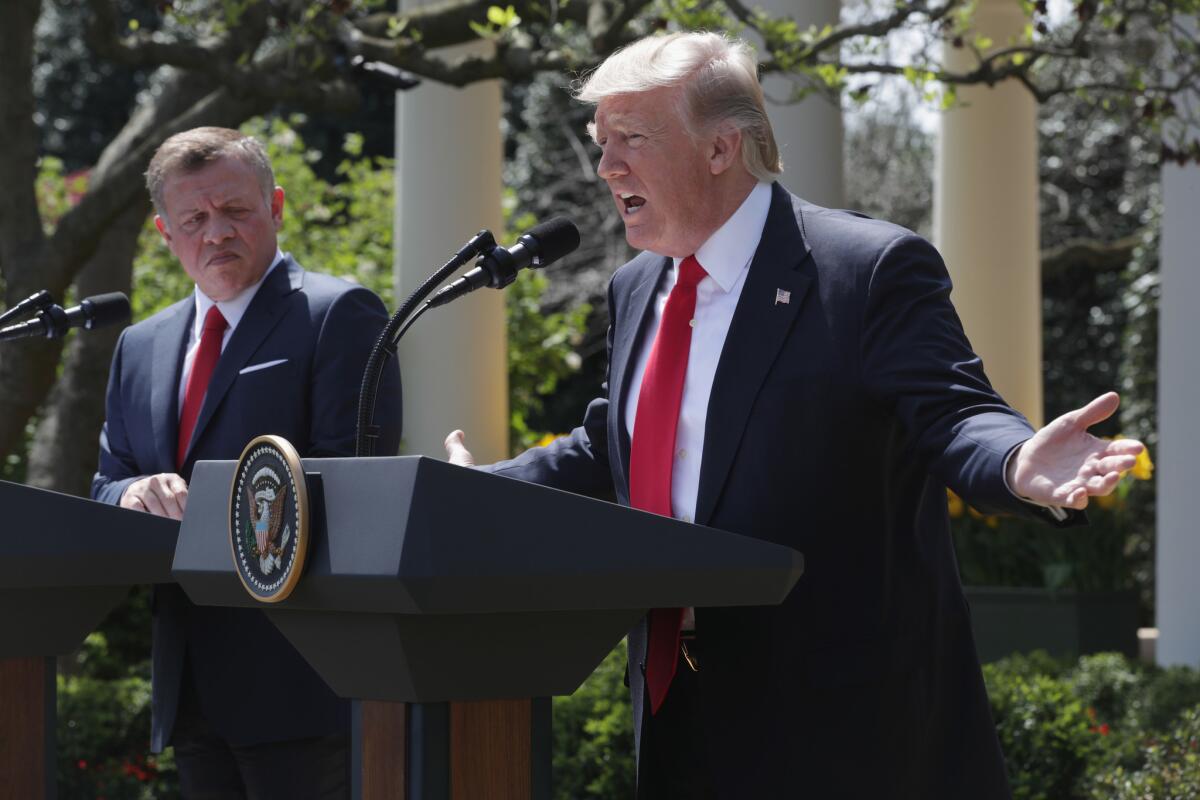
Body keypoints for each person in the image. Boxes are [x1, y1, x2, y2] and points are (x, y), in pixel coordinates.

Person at [443, 32, 1145, 799]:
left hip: (843, 727)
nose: (608, 166)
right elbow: (618, 437)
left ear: (721, 149)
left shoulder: (865, 270)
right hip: (677, 708)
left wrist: (1017, 464)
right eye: (601, 141)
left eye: (632, 140)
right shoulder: (637, 287)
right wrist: (484, 490)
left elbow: (955, 414)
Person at [91, 127, 400, 798]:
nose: (216, 232)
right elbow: (105, 481)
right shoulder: (140, 346)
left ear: (276, 205)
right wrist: (132, 494)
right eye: (194, 219)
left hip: (301, 681)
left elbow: (348, 485)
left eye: (235, 210)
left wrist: (199, 503)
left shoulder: (336, 314)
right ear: (165, 232)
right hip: (189, 678)